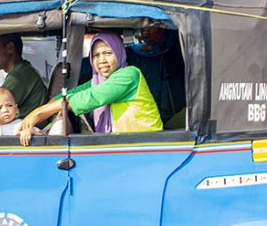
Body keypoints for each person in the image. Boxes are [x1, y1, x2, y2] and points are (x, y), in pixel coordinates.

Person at [18, 31, 162, 146]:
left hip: (148, 147)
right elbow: (69, 95)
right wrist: (42, 123)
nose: (102, 61)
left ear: (119, 53)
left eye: (108, 53)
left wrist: (38, 113)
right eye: (96, 55)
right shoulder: (98, 81)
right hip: (123, 149)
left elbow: (90, 97)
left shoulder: (130, 75)